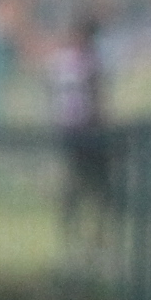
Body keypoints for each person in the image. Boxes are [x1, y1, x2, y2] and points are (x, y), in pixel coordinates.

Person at [49, 14, 113, 250]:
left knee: (84, 184)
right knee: (91, 185)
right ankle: (83, 232)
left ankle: (82, 232)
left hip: (72, 130)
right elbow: (96, 98)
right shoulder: (86, 62)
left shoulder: (62, 60)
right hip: (84, 130)